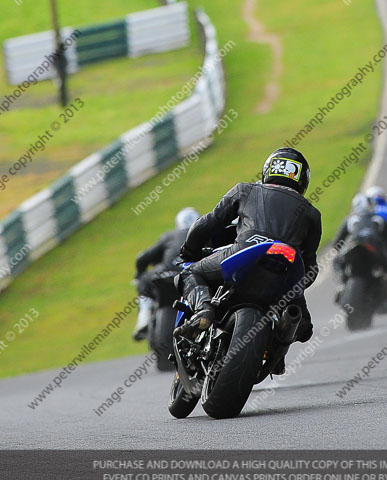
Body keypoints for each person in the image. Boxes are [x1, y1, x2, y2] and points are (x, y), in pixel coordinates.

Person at [176, 147, 321, 344]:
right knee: (304, 326)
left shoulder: (246, 189)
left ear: (268, 171)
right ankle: (278, 342)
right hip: (285, 271)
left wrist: (189, 251)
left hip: (244, 251)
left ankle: (203, 310)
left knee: (190, 272)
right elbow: (310, 267)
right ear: (303, 180)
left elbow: (207, 224)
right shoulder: (312, 213)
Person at [132, 207, 200, 341]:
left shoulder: (170, 235)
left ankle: (144, 316)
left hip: (167, 274)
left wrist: (139, 274)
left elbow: (142, 258)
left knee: (143, 280)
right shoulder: (204, 233)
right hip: (195, 276)